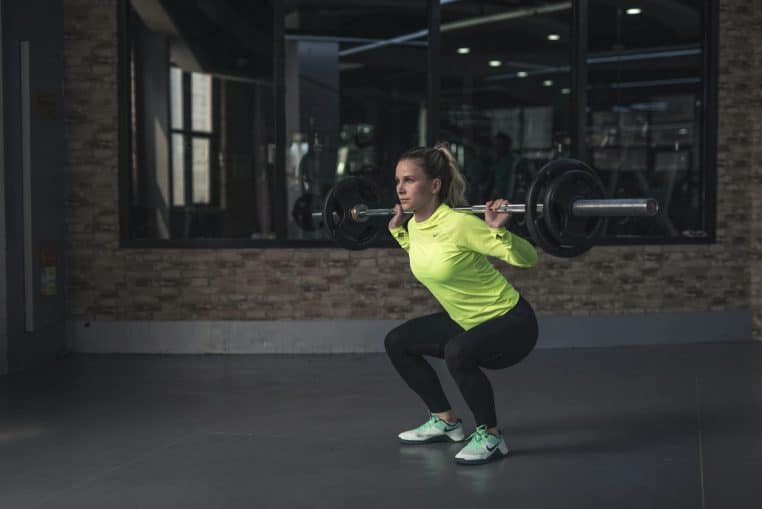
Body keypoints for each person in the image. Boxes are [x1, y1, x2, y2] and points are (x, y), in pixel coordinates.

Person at [385, 143, 539, 465]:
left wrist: (500, 232)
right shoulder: (414, 225)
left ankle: (492, 436)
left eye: (410, 180)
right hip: (466, 319)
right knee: (397, 342)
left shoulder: (459, 224)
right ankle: (445, 420)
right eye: (398, 180)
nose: (400, 188)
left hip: (511, 321)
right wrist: (400, 234)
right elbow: (429, 260)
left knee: (458, 350)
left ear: (435, 186)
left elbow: (528, 259)